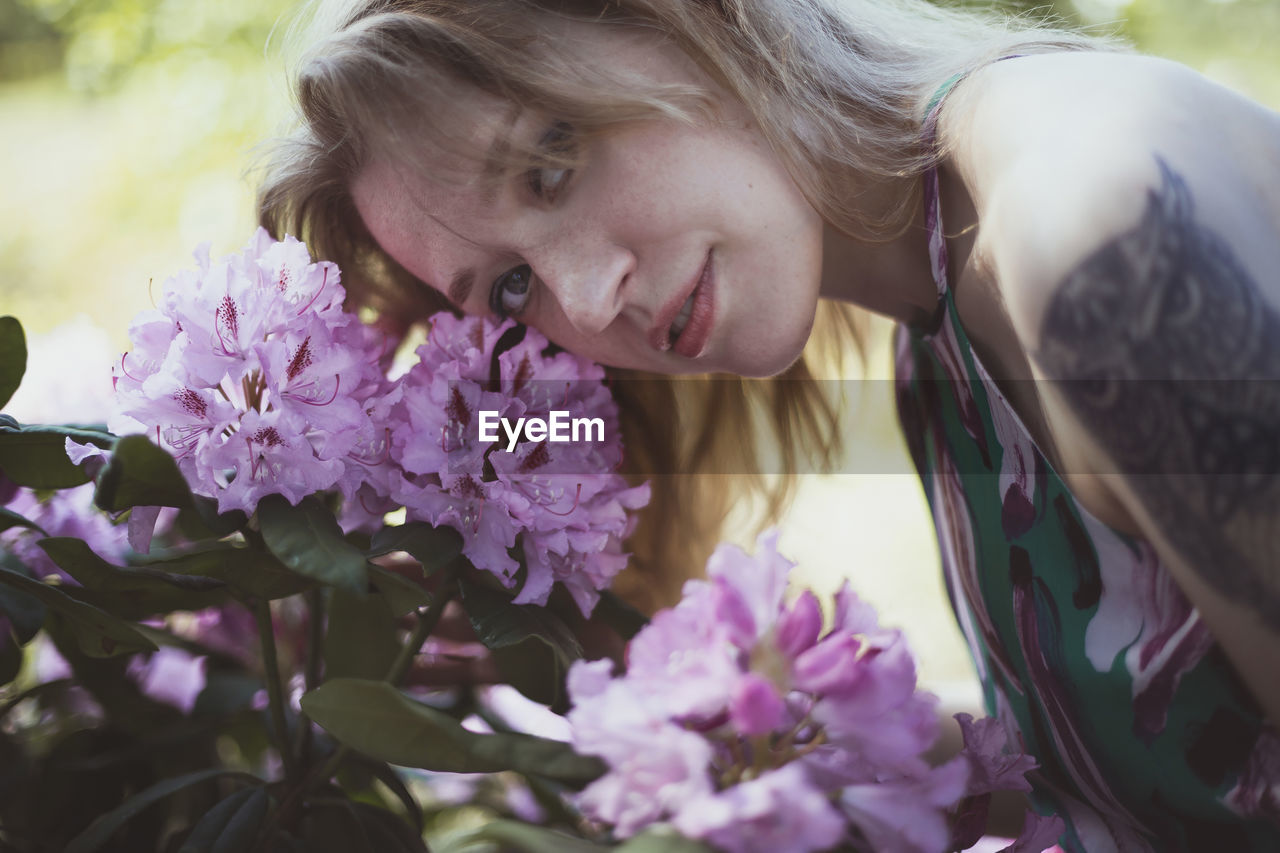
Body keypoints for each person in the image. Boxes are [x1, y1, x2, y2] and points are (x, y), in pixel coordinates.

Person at [257, 0, 1280, 849]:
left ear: (686, 21)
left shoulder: (1095, 242)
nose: (586, 293)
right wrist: (398, 490)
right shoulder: (937, 312)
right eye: (513, 287)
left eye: (549, 166)